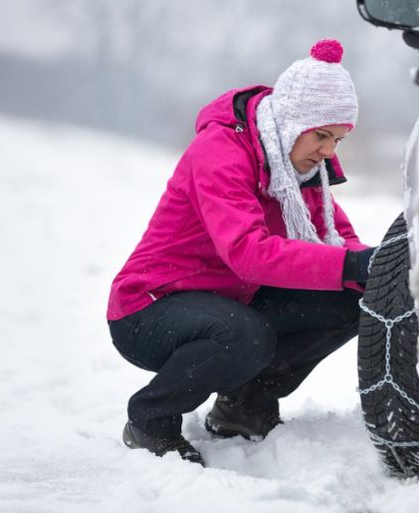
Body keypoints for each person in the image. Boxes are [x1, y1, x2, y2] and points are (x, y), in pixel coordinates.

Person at [107, 39, 376, 467]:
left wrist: (382, 266)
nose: (329, 151)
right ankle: (150, 420)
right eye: (322, 136)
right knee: (244, 334)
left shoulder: (298, 168)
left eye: (338, 140)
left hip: (232, 304)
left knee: (355, 296)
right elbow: (247, 252)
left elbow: (339, 241)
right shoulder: (220, 152)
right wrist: (352, 263)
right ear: (291, 124)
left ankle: (245, 404)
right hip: (150, 308)